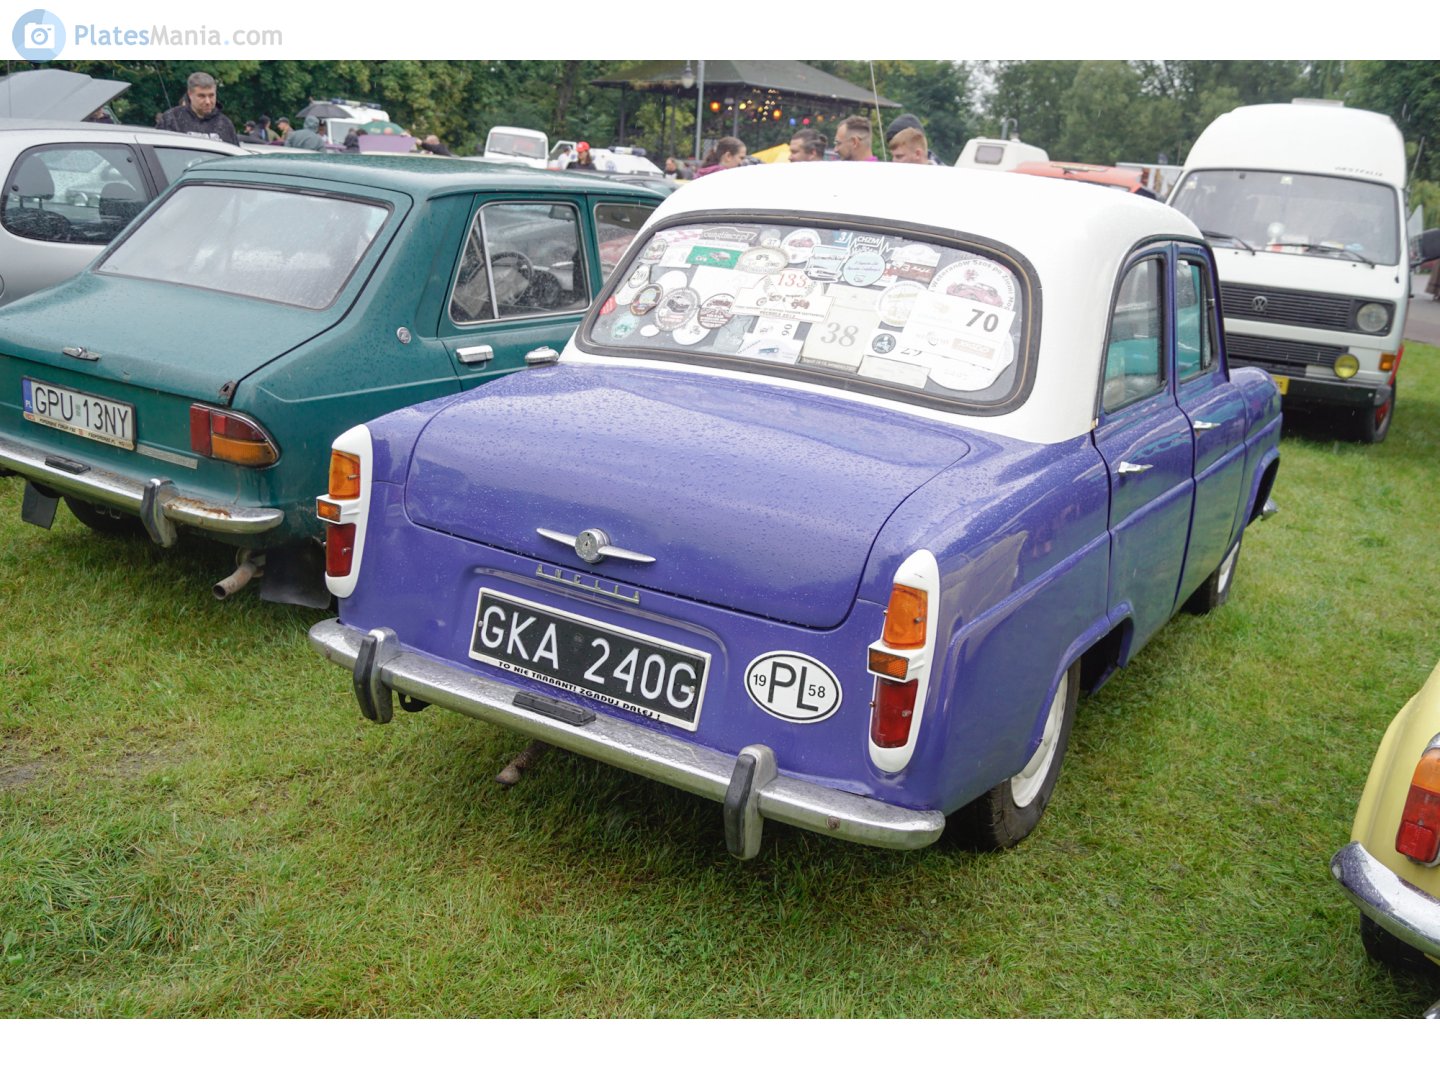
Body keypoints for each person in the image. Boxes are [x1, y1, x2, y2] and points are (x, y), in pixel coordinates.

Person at [156, 71, 240, 146]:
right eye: (202, 96)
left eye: (211, 95)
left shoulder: (225, 124)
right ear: (190, 94)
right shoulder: (172, 119)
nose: (208, 101)